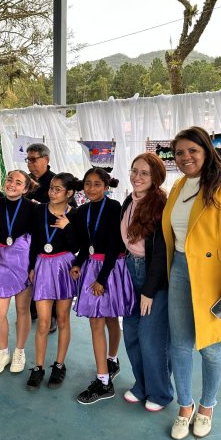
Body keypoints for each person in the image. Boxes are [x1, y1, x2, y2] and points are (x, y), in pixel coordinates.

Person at [162, 126, 221, 440]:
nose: (185, 157)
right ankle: (184, 406)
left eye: (193, 150)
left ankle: (207, 407)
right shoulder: (178, 187)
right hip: (179, 269)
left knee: (211, 348)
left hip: (213, 277)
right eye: (179, 153)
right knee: (179, 345)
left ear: (207, 151)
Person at [71, 168, 134, 405]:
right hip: (91, 268)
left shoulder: (114, 208)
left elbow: (114, 246)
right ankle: (104, 377)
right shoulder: (82, 211)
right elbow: (84, 245)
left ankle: (110, 365)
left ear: (106, 187)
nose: (91, 188)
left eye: (97, 184)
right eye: (88, 184)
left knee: (110, 318)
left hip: (110, 268)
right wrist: (78, 263)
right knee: (96, 322)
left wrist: (102, 279)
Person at [120, 153, 173, 412]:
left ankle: (160, 393)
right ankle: (141, 385)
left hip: (153, 276)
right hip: (129, 270)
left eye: (144, 173)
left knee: (151, 338)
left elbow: (161, 252)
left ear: (155, 178)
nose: (136, 177)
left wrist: (149, 291)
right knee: (131, 333)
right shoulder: (128, 200)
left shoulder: (162, 205)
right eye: (134, 171)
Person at [0, 170, 37, 375]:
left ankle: (19, 351)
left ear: (26, 188)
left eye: (18, 182)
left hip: (24, 259)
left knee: (22, 310)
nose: (12, 184)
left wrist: (33, 266)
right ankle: (3, 351)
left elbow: (39, 238)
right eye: (10, 180)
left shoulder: (33, 207)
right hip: (2, 259)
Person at [26, 173, 79, 390]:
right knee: (43, 322)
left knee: (63, 318)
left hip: (64, 266)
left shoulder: (74, 214)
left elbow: (76, 246)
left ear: (69, 193)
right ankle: (38, 367)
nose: (52, 192)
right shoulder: (39, 211)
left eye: (58, 189)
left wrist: (67, 226)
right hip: (42, 265)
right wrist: (31, 266)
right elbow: (34, 241)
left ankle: (59, 364)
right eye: (51, 188)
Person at [25, 142, 57, 333]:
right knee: (30, 273)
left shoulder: (57, 180)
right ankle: (32, 309)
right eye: (28, 160)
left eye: (33, 159)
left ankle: (52, 315)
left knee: (49, 279)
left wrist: (41, 206)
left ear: (46, 159)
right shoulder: (25, 180)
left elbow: (70, 209)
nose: (30, 164)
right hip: (28, 238)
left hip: (50, 238)